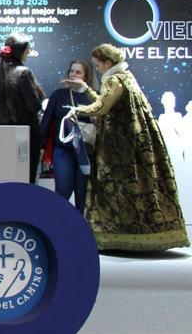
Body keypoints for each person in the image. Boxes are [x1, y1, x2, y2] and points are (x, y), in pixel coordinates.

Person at [68, 43, 188, 251]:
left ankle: (117, 235)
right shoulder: (126, 77)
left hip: (120, 146)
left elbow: (102, 107)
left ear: (108, 62)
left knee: (119, 188)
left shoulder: (114, 80)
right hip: (133, 142)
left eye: (98, 65)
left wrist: (77, 110)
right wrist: (86, 90)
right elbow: (104, 101)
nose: (97, 69)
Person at [0, 32, 45, 182]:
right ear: (20, 51)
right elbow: (34, 106)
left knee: (2, 177)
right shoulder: (24, 73)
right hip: (26, 136)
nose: (29, 52)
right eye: (27, 49)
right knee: (26, 179)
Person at [38, 59, 96, 213]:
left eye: (78, 72)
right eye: (72, 71)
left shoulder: (93, 97)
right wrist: (41, 148)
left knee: (83, 193)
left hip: (86, 152)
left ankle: (83, 231)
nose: (73, 74)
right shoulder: (59, 95)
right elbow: (46, 123)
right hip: (63, 150)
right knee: (62, 191)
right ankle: (60, 227)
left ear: (86, 76)